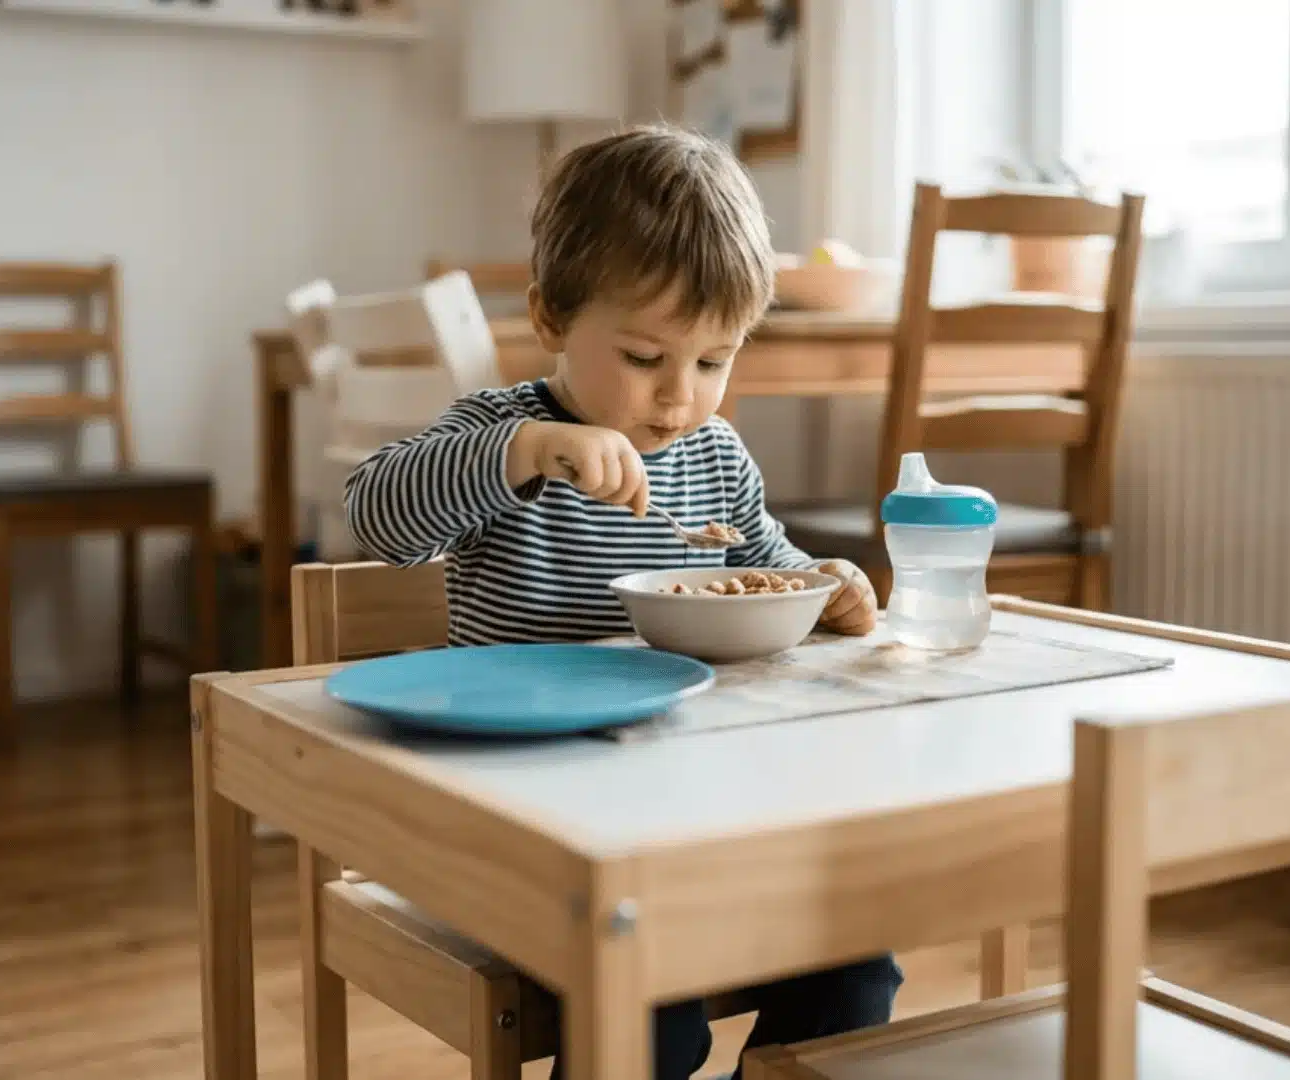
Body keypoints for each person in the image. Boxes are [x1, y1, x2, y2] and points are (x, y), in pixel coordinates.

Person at [344, 123, 898, 1080]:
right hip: (533, 827)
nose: (680, 400)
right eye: (646, 359)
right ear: (553, 319)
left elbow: (769, 567)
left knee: (856, 971)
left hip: (701, 818)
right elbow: (376, 517)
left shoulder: (714, 457)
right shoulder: (500, 435)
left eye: (715, 362)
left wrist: (827, 587)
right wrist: (522, 455)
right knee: (650, 1014)